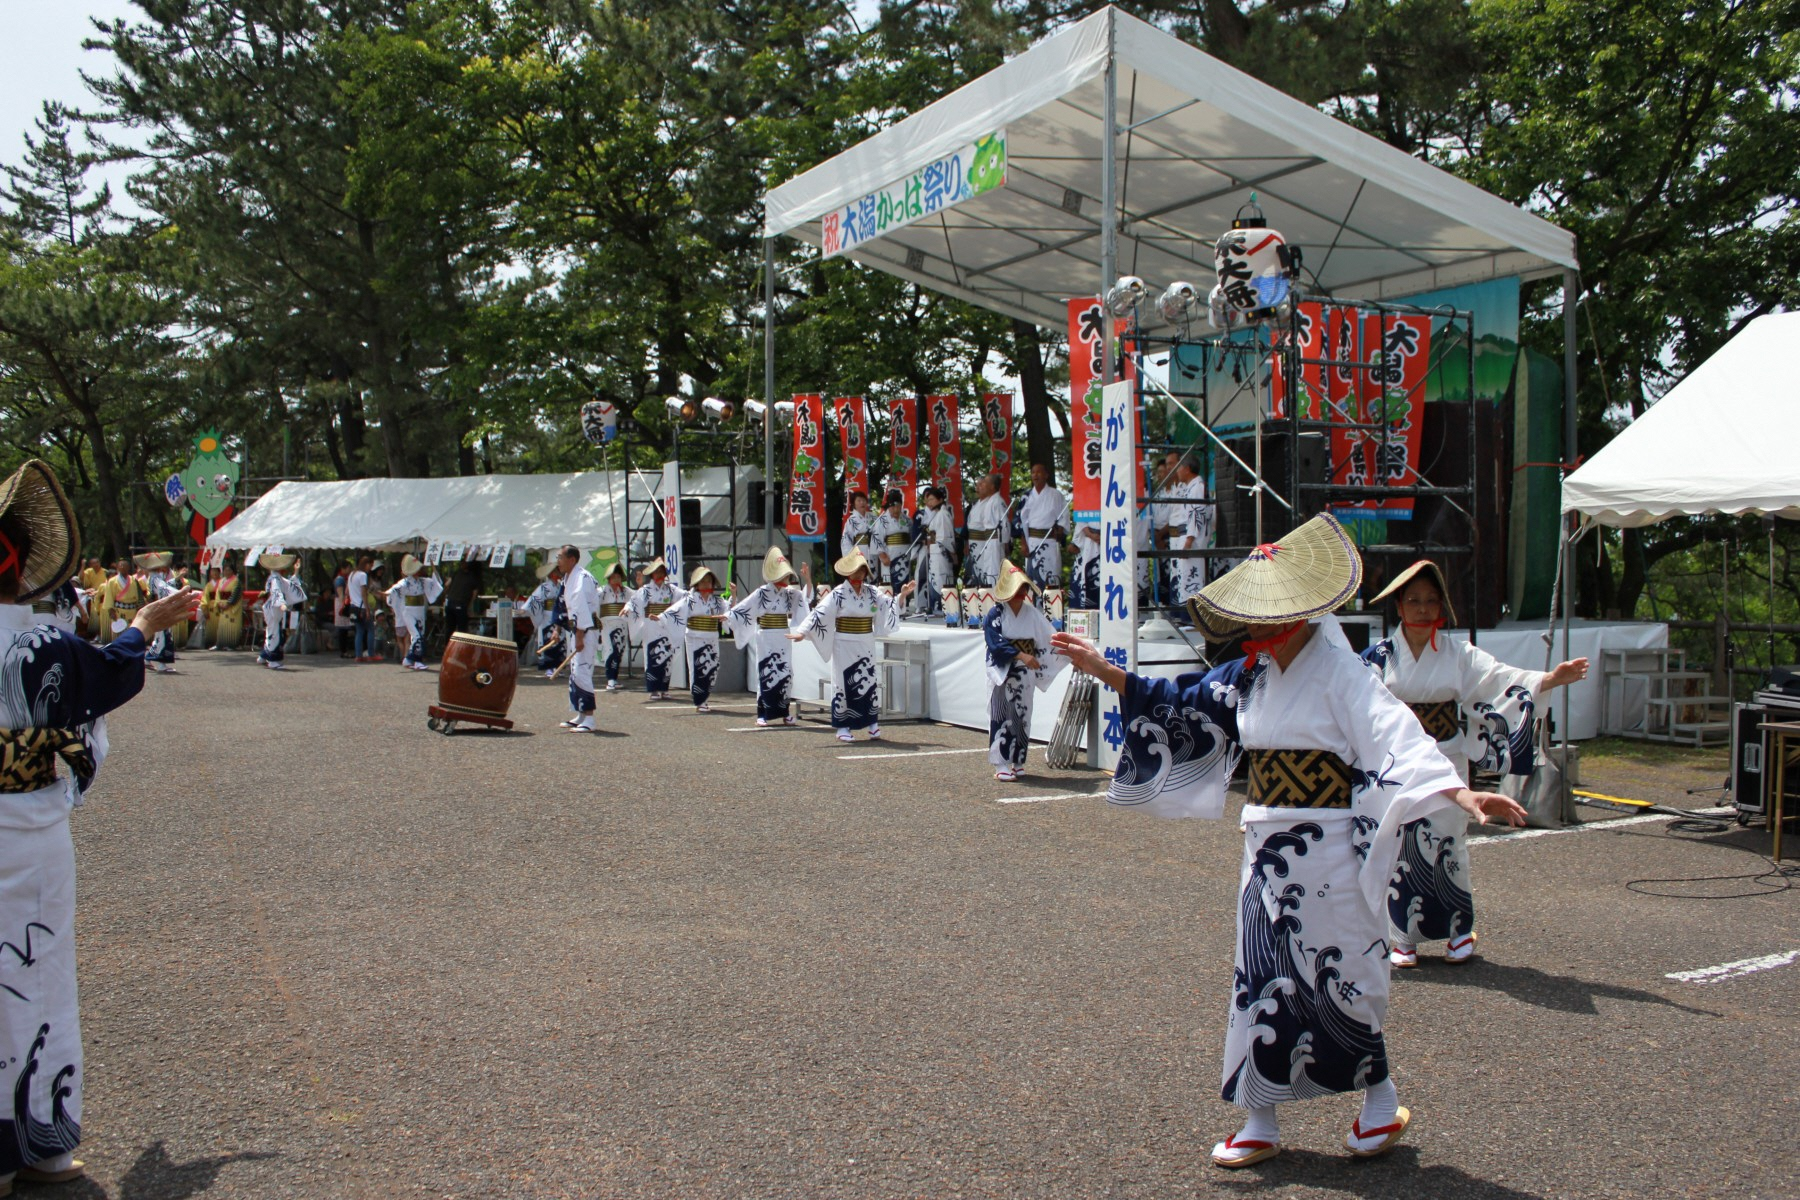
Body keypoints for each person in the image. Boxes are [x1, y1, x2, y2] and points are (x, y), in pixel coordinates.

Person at [1051, 514, 1527, 1169]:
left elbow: (1399, 740)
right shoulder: (1252, 673)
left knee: (1343, 980)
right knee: (1260, 980)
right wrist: (1106, 671)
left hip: (1330, 851)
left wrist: (1463, 795)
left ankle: (1380, 1103)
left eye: (1265, 621)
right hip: (1264, 850)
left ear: (1300, 614)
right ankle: (1260, 1116)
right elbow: (1180, 700)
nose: (1255, 633)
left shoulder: (1343, 675)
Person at [0, 461, 194, 1195]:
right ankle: (42, 1146)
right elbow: (112, 669)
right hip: (27, 835)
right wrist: (144, 624)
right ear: (20, 576)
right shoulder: (40, 652)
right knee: (37, 977)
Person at [1362, 559, 1589, 967]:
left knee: (1450, 842)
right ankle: (1402, 938)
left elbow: (1498, 678)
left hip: (1446, 757)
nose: (1422, 608)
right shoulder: (1378, 657)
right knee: (1398, 842)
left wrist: (1549, 679)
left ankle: (1458, 931)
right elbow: (1355, 703)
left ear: (1442, 605)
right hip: (1397, 762)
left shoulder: (1457, 653)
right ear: (1399, 606)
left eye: (1431, 600)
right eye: (1413, 600)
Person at [790, 549, 915, 742]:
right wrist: (803, 631)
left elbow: (888, 605)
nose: (859, 575)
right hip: (844, 643)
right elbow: (819, 613)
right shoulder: (838, 593)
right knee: (843, 683)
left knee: (868, 682)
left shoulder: (873, 592)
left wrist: (901, 596)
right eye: (856, 571)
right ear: (848, 573)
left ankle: (872, 724)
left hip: (865, 642)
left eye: (862, 571)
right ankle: (842, 726)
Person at [982, 560, 1067, 782]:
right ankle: (1000, 762)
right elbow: (995, 643)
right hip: (1004, 671)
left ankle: (1018, 761)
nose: (1021, 593)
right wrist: (1020, 655)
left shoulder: (1032, 614)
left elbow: (1049, 638)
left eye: (1023, 589)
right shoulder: (995, 614)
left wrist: (1070, 649)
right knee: (1002, 714)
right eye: (1017, 589)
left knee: (1023, 715)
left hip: (1025, 673)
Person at [727, 547, 813, 727]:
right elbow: (745, 607)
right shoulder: (762, 592)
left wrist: (808, 580)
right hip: (765, 636)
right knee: (766, 672)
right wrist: (729, 616)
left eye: (787, 576)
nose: (786, 580)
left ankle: (784, 712)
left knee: (786, 673)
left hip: (783, 635)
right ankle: (763, 713)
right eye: (783, 576)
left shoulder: (790, 593)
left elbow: (805, 600)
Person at [662, 565, 729, 713]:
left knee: (713, 667)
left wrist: (734, 595)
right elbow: (675, 610)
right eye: (703, 581)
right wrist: (661, 617)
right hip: (695, 637)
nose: (706, 584)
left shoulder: (717, 601)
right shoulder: (690, 600)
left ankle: (704, 696)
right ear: (697, 584)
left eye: (709, 581)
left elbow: (730, 611)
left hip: (711, 637)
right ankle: (700, 699)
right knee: (697, 667)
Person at [624, 558, 684, 699]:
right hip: (651, 626)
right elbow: (634, 601)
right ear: (651, 575)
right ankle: (653, 689)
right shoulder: (646, 590)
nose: (658, 575)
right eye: (656, 572)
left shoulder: (671, 590)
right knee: (652, 656)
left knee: (667, 657)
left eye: (661, 572)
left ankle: (664, 688)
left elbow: (685, 598)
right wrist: (627, 608)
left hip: (665, 625)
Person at [556, 545, 601, 732]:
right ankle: (580, 714)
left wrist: (580, 636)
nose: (558, 561)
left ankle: (589, 718)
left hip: (585, 630)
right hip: (577, 629)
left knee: (582, 671)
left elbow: (582, 609)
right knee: (575, 672)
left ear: (571, 559)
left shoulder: (581, 579)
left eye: (560, 557)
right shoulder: (570, 577)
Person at [1170, 452, 1214, 613]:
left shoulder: (1198, 487)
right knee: (1185, 577)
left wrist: (1189, 540)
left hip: (1192, 539)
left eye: (1179, 467)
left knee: (1192, 577)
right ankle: (1187, 614)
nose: (1177, 471)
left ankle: (1194, 616)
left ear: (1187, 469)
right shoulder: (1191, 487)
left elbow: (1196, 514)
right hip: (1186, 535)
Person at [386, 554, 444, 671]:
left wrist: (434, 572)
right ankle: (415, 660)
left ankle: (410, 659)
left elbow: (436, 583)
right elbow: (394, 590)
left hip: (419, 609)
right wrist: (385, 594)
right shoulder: (404, 583)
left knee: (419, 636)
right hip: (409, 610)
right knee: (417, 635)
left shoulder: (423, 581)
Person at [1015, 461, 1068, 589]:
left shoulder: (1056, 495)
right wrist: (1023, 543)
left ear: (1046, 475)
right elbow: (1021, 521)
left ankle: (1051, 605)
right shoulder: (1027, 496)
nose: (1035, 475)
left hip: (1049, 541)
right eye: (1033, 472)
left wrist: (1060, 531)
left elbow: (1063, 516)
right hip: (1031, 541)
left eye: (1039, 472)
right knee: (1033, 581)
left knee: (1051, 578)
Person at [256, 553, 304, 669]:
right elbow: (277, 591)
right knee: (274, 633)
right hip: (274, 607)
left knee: (271, 630)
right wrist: (281, 603)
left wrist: (296, 572)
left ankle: (263, 656)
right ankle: (272, 660)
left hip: (272, 607)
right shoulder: (275, 578)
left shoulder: (276, 577)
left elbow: (288, 584)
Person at [136, 553, 181, 674]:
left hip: (159, 607)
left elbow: (164, 586)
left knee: (161, 634)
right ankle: (161, 663)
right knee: (163, 635)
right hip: (161, 607)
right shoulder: (155, 577)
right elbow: (164, 588)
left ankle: (147, 659)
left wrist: (175, 581)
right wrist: (177, 590)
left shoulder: (155, 576)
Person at [915, 485, 956, 616]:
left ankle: (942, 606)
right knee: (934, 578)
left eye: (932, 499)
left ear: (940, 500)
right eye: (928, 500)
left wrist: (952, 553)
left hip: (940, 551)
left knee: (940, 578)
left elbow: (944, 537)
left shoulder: (943, 514)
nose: (929, 502)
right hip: (933, 551)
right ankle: (936, 606)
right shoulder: (937, 514)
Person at [964, 472, 1008, 588]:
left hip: (994, 541)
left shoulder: (997, 501)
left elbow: (1005, 524)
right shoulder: (989, 502)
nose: (981, 486)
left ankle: (995, 599)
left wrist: (1005, 542)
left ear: (992, 486)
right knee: (987, 571)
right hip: (988, 542)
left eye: (984, 483)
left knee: (994, 571)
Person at [597, 563, 633, 692]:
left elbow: (638, 598)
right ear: (609, 578)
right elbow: (593, 603)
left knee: (619, 651)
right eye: (613, 577)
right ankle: (610, 679)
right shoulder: (602, 591)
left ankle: (614, 678)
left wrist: (640, 585)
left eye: (618, 577)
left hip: (622, 624)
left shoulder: (626, 592)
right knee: (610, 650)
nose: (616, 580)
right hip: (607, 625)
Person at [870, 490, 914, 594]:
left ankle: (904, 605)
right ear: (889, 506)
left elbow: (912, 537)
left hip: (905, 556)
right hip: (889, 555)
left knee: (904, 582)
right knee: (889, 584)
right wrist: (882, 555)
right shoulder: (882, 521)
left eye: (898, 506)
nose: (896, 509)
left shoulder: (907, 520)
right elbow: (876, 539)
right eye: (893, 507)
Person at [95, 559, 146, 646]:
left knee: (131, 633)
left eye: (125, 565)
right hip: (118, 611)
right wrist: (111, 610)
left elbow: (140, 597)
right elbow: (109, 596)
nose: (123, 567)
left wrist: (140, 609)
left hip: (132, 611)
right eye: (121, 565)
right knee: (118, 634)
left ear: (129, 568)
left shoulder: (134, 581)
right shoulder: (112, 581)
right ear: (118, 567)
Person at [526, 559, 564, 659]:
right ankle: (550, 666)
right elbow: (534, 599)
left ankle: (556, 665)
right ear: (552, 574)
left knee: (559, 640)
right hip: (548, 616)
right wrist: (526, 608)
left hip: (558, 615)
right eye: (557, 570)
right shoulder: (545, 587)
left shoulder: (561, 586)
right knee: (549, 638)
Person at [210, 557, 245, 650]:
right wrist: (218, 603)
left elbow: (235, 594)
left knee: (231, 626)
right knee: (222, 626)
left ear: (233, 571)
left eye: (229, 570)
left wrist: (228, 604)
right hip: (222, 605)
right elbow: (218, 593)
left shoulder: (236, 581)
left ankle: (232, 645)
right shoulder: (221, 581)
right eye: (225, 570)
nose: (227, 572)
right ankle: (220, 644)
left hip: (231, 606)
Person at [444, 561, 481, 636]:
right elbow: (474, 593)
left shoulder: (456, 573)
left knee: (450, 628)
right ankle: (460, 647)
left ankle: (447, 646)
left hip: (450, 602)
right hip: (460, 603)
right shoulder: (473, 577)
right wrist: (470, 605)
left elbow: (447, 584)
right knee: (462, 629)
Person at [841, 491, 874, 563]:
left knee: (874, 572)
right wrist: (850, 557)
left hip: (874, 552)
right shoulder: (851, 521)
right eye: (859, 500)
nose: (862, 502)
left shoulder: (874, 517)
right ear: (854, 504)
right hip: (859, 552)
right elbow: (846, 540)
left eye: (863, 500)